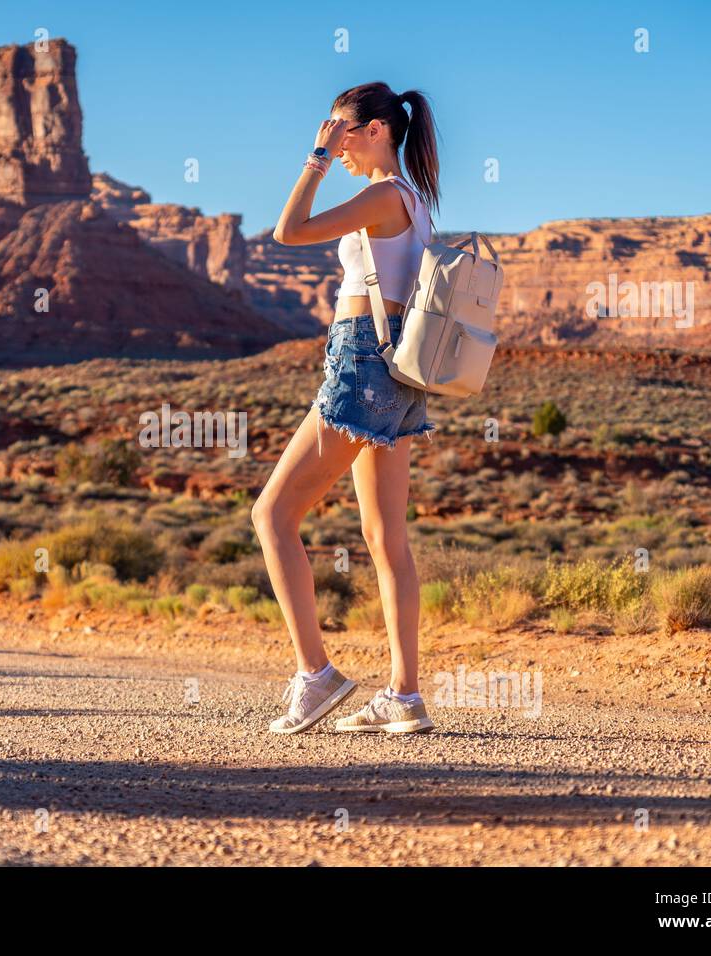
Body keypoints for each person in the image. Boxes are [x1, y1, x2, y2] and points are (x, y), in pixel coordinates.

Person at [255, 82, 440, 735]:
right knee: (386, 538)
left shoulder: (384, 195)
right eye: (330, 136)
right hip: (400, 369)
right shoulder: (415, 200)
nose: (337, 146)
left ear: (377, 130)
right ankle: (404, 696)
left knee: (273, 514)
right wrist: (331, 147)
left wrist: (315, 160)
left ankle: (317, 676)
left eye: (341, 131)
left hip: (363, 359)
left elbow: (288, 231)